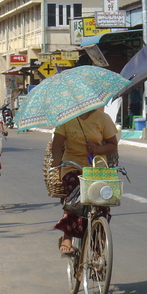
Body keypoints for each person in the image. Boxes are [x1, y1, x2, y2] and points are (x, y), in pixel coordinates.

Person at [51, 107, 118, 256]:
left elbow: (113, 145)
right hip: (72, 165)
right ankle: (67, 236)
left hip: (97, 166)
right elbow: (57, 144)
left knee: (103, 204)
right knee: (76, 196)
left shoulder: (103, 118)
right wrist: (56, 159)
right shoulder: (66, 119)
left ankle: (97, 248)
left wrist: (97, 149)